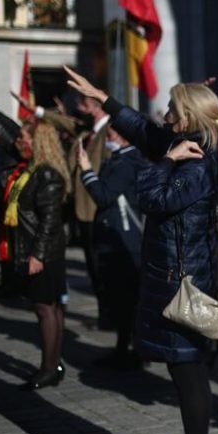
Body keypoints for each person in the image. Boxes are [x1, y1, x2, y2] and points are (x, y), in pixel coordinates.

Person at [66, 66, 218, 434]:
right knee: (186, 368)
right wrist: (104, 98)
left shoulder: (194, 160)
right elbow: (141, 130)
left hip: (180, 279)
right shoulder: (186, 142)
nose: (164, 112)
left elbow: (151, 198)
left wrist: (165, 161)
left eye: (171, 107)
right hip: (178, 274)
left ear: (186, 116)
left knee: (187, 370)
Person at [0, 83, 70, 390]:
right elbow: (6, 133)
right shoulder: (30, 164)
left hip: (44, 251)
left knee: (45, 308)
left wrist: (36, 255)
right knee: (51, 307)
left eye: (25, 138)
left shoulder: (45, 172)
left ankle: (49, 367)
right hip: (43, 249)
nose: (19, 140)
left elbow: (49, 221)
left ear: (39, 143)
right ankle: (54, 363)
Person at [78, 127, 149, 369]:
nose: (107, 140)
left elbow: (104, 196)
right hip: (115, 236)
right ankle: (123, 348)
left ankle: (134, 352)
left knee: (127, 296)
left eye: (110, 136)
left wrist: (86, 170)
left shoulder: (128, 163)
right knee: (119, 296)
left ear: (124, 137)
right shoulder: (120, 160)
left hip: (124, 237)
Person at [68, 94, 112, 329]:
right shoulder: (88, 132)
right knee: (93, 268)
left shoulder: (108, 132)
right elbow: (65, 122)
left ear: (95, 109)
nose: (79, 111)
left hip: (97, 208)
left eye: (83, 106)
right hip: (83, 208)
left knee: (101, 267)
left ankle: (109, 316)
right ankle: (105, 313)